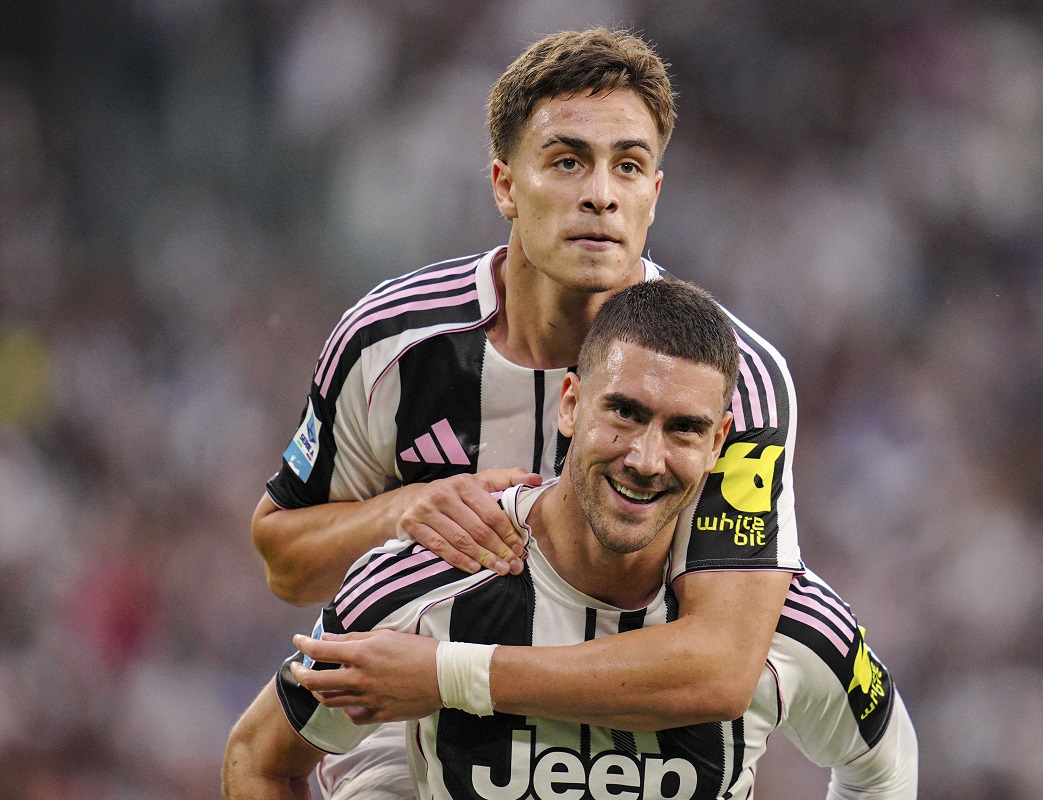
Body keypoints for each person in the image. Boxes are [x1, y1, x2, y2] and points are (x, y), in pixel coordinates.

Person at [250, 27, 801, 797]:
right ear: (506, 185)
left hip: (631, 742)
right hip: (406, 737)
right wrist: (404, 511)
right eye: (568, 160)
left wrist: (457, 675)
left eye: (629, 166)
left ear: (654, 195)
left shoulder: (733, 377)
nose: (601, 193)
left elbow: (720, 665)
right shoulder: (393, 344)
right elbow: (283, 559)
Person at [223, 280, 918, 800]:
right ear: (571, 404)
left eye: (683, 429)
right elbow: (258, 757)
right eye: (624, 412)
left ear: (719, 444)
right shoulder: (427, 578)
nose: (646, 458)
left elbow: (884, 762)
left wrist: (451, 676)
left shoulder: (784, 622)